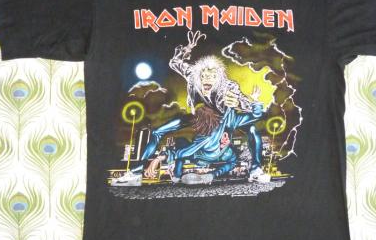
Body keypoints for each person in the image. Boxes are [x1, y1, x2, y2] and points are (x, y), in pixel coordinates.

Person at [112, 30, 268, 186]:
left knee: (252, 129)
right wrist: (187, 49)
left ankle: (255, 170)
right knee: (157, 131)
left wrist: (239, 104)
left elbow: (250, 107)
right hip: (198, 117)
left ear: (219, 78)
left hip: (222, 120)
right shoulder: (193, 75)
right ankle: (136, 172)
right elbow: (174, 62)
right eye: (204, 76)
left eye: (212, 77)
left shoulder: (228, 87)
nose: (207, 79)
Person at [172, 86, 265, 185]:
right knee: (233, 161)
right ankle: (213, 175)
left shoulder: (211, 129)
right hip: (223, 154)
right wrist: (255, 100)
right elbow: (256, 115)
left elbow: (183, 153)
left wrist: (172, 156)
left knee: (181, 141)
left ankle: (177, 176)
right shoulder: (230, 119)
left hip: (204, 158)